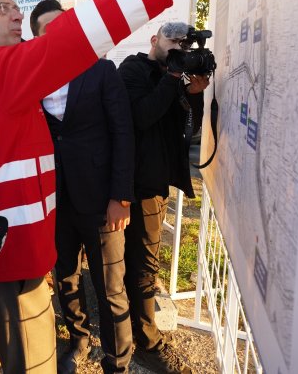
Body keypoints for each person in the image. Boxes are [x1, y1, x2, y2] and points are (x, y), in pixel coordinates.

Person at [0, 0, 232, 373]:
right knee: (32, 361)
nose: (17, 16)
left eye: (17, 8)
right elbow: (71, 38)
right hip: (11, 253)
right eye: (3, 10)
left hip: (11, 245)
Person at [30, 0, 135, 374]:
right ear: (37, 36)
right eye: (48, 28)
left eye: (64, 25)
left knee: (111, 287)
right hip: (55, 201)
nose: (58, 33)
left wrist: (120, 197)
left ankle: (117, 361)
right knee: (66, 277)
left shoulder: (102, 70)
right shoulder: (33, 76)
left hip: (101, 199)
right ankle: (79, 340)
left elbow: (123, 134)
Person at [117, 21, 210, 370]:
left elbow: (187, 127)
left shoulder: (174, 76)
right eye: (172, 41)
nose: (177, 49)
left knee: (139, 262)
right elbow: (141, 117)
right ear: (154, 40)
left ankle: (132, 329)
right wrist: (172, 78)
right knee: (143, 266)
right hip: (135, 185)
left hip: (155, 185)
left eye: (183, 46)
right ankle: (147, 343)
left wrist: (195, 94)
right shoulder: (132, 68)